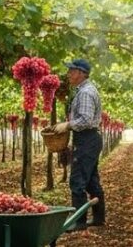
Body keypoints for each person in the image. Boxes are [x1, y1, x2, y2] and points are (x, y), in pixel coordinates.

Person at [51, 58, 105, 232]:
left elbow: (86, 119)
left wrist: (67, 125)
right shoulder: (83, 90)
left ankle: (79, 221)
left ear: (82, 73)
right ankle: (98, 218)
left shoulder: (86, 93)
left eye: (72, 71)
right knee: (91, 180)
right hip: (88, 139)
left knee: (77, 181)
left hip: (87, 139)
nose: (69, 74)